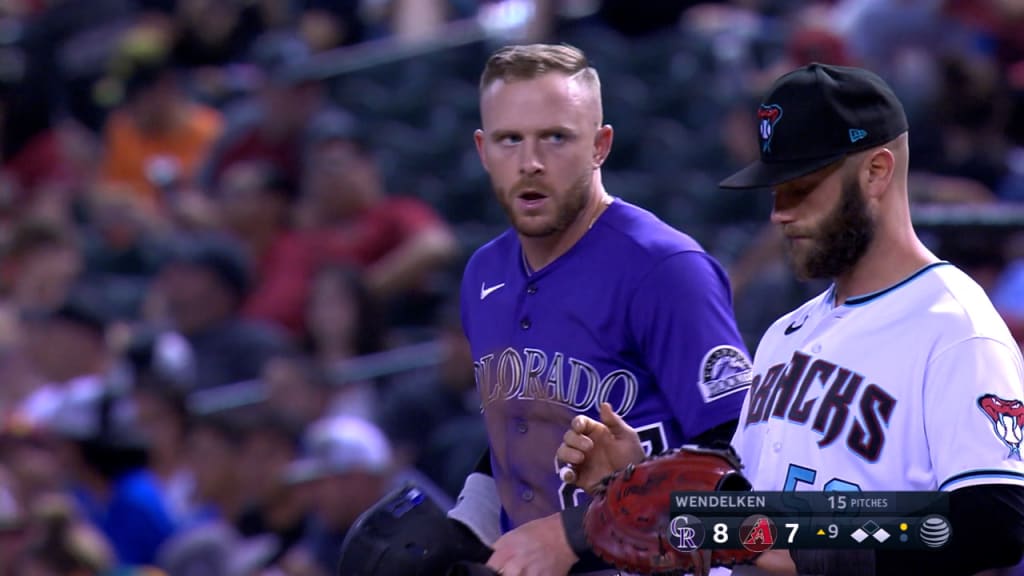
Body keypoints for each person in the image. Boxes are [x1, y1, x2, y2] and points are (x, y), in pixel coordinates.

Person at [557, 63, 1024, 576]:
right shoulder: (783, 336)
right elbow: (751, 524)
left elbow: (995, 520)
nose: (779, 212)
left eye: (801, 187)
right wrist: (636, 475)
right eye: (775, 189)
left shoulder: (954, 324)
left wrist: (810, 546)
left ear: (876, 172)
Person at [453, 43, 753, 576]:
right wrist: (465, 525)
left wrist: (576, 535)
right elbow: (517, 429)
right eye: (509, 140)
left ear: (600, 145)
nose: (530, 163)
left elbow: (740, 461)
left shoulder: (665, 268)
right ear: (482, 150)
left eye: (556, 137)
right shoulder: (483, 273)